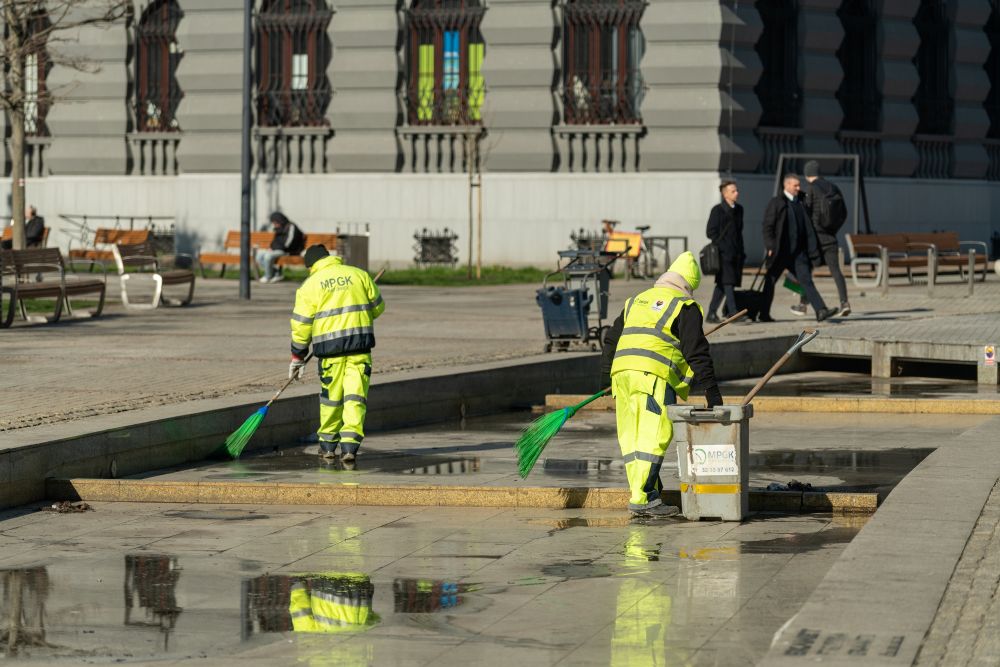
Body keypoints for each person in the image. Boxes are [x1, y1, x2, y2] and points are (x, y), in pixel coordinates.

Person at [600, 251, 724, 518]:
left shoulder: (637, 299)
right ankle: (643, 499)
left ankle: (648, 492)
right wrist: (712, 393)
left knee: (632, 439)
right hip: (652, 377)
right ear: (688, 284)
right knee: (653, 437)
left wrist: (607, 376)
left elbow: (611, 340)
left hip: (622, 375)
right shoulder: (684, 305)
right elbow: (696, 353)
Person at [289, 244, 385, 463]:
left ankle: (328, 446)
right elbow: (378, 308)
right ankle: (350, 448)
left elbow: (301, 325)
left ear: (311, 265)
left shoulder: (309, 285)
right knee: (355, 397)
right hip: (359, 349)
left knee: (331, 399)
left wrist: (298, 356)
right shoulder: (359, 275)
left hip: (330, 353)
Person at [760, 174, 838, 323]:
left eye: (798, 185)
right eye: (795, 185)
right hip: (780, 252)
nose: (798, 188)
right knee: (770, 281)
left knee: (806, 281)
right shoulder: (777, 202)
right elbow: (767, 226)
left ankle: (821, 310)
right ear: (787, 185)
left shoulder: (801, 202)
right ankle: (763, 313)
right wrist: (770, 245)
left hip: (798, 253)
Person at [790, 160, 851, 318]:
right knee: (836, 270)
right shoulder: (833, 187)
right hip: (830, 237)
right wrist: (832, 229)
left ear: (807, 174)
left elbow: (806, 213)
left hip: (815, 240)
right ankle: (844, 303)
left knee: (805, 272)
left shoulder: (811, 189)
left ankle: (803, 305)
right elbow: (843, 213)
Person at [704, 180, 745, 324]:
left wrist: (741, 252)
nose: (737, 193)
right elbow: (710, 232)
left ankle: (711, 313)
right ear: (725, 194)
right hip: (722, 254)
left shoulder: (739, 209)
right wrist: (722, 246)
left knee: (722, 285)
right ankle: (733, 313)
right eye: (733, 191)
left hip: (736, 253)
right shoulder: (717, 210)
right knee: (728, 282)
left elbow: (739, 233)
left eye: (737, 190)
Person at [256, 212, 304, 283]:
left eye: (275, 222)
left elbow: (289, 242)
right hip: (276, 250)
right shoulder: (278, 228)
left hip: (287, 251)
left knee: (268, 256)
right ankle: (276, 272)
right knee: (259, 255)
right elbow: (275, 241)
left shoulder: (291, 226)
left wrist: (277, 248)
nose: (274, 224)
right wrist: (271, 247)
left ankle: (268, 276)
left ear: (280, 220)